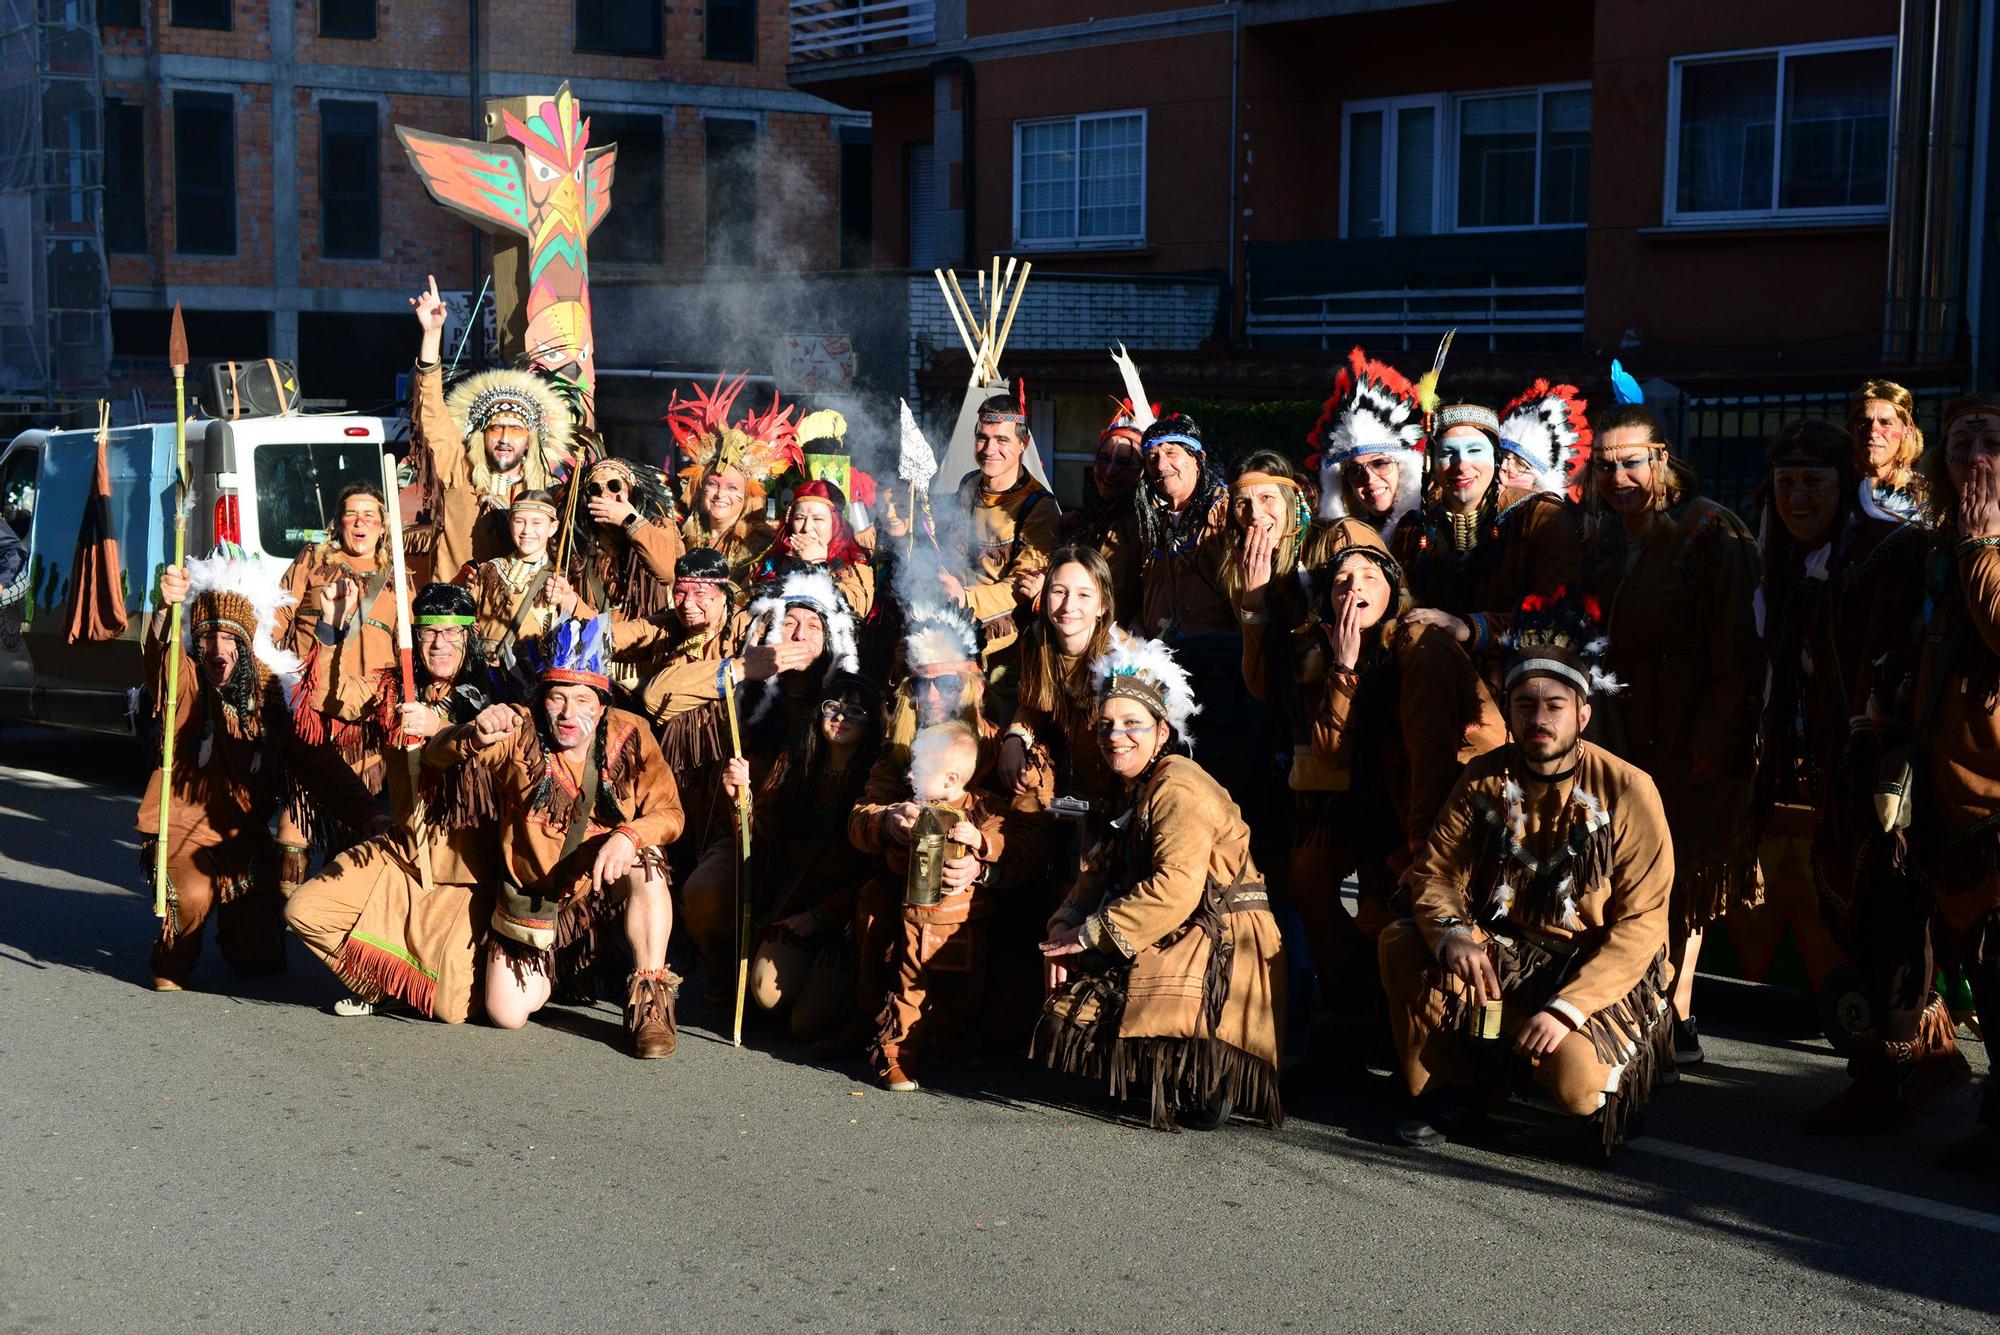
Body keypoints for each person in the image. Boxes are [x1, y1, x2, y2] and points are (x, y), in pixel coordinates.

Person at [1381, 591, 1674, 1153]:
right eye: (1524, 704)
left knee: (1575, 1087)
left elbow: (1644, 923)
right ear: (1509, 711)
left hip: (1592, 968)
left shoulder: (1630, 790)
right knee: (1403, 942)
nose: (1538, 718)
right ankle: (1452, 1089)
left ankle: (1593, 1064)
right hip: (1507, 953)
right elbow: (1434, 873)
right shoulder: (1483, 780)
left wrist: (1569, 1008)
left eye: (1554, 705)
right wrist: (1452, 938)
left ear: (1583, 713)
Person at [1750, 420, 1965, 1131]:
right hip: (1833, 771)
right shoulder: (1788, 559)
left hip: (1894, 770)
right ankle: (1921, 1059)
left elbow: (1918, 648)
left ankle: (1892, 1072)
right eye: (1786, 483)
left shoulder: (1889, 552)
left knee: (1890, 914)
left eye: (1814, 481)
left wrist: (1889, 726)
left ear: (1846, 486)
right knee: (1854, 911)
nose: (1798, 496)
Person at [1035, 634, 1287, 1130]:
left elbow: (1176, 885)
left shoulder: (1178, 782)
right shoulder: (1138, 786)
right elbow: (1102, 869)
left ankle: (1200, 1064)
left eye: (1132, 724)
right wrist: (1064, 922)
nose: (1115, 736)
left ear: (1162, 731)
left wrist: (1089, 935)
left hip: (1221, 936)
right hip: (1184, 918)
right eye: (1106, 725)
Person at [1579, 404, 1762, 1067]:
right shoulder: (1598, 535)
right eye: (1606, 465)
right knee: (1627, 868)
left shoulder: (1711, 528)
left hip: (1690, 725)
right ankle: (1632, 996)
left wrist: (1713, 739)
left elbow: (1736, 651)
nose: (1618, 476)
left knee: (1683, 872)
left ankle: (1676, 1006)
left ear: (1663, 458)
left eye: (1632, 461)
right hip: (1621, 725)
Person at [424, 616, 686, 1057]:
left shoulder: (631, 731)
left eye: (582, 700)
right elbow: (437, 757)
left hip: (601, 887)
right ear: (541, 699)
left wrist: (629, 835)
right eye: (557, 698)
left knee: (649, 862)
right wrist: (473, 733)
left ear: (601, 704)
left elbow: (669, 812)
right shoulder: (519, 729)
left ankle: (650, 1004)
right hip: (536, 900)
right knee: (506, 1015)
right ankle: (569, 964)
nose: (568, 713)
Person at [139, 551, 387, 991]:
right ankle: (170, 959)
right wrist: (164, 612)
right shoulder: (188, 685)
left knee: (259, 958)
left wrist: (369, 815)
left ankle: (241, 931)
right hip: (181, 829)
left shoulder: (270, 695)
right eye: (208, 637)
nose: (218, 649)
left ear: (246, 642)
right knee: (192, 903)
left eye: (229, 638)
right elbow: (165, 664)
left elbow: (316, 760)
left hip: (244, 840)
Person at [286, 582, 501, 1022]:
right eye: (427, 632)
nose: (439, 643)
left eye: (450, 632)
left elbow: (497, 742)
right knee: (304, 910)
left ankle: (409, 977)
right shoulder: (392, 686)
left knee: (451, 1009)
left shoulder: (496, 687)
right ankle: (380, 986)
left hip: (466, 871)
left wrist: (437, 724)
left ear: (470, 635)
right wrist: (331, 628)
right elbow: (330, 699)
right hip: (401, 850)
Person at [1308, 535, 1505, 1004]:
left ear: (1395, 591)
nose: (1353, 589)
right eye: (1341, 582)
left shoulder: (1417, 641)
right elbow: (1330, 755)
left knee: (1437, 932)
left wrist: (1423, 852)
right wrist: (1344, 667)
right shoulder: (1347, 651)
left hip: (1455, 810)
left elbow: (1432, 751)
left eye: (1369, 578)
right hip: (1389, 814)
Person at [677, 565, 862, 1001]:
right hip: (746, 832)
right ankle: (724, 972)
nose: (798, 635)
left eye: (813, 626)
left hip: (817, 858)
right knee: (702, 893)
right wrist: (742, 668)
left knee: (777, 999)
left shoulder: (849, 701)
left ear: (830, 641)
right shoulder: (745, 685)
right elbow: (656, 696)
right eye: (790, 622)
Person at [1905, 394, 2000, 1167]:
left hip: (1997, 804)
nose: (1973, 451)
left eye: (1992, 440)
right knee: (1981, 968)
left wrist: (1982, 545)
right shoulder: (1940, 545)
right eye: (1960, 438)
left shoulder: (1975, 543)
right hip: (1951, 790)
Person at [733, 671, 885, 1041]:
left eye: (855, 712)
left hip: (842, 920)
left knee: (807, 1025)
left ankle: (840, 995)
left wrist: (821, 917)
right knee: (767, 996)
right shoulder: (795, 762)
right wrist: (743, 799)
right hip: (796, 905)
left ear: (872, 723)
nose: (841, 718)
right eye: (832, 707)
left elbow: (875, 873)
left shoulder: (878, 778)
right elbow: (763, 835)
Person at [869, 721, 1015, 1092]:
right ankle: (895, 1056)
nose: (910, 772)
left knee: (963, 991)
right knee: (910, 991)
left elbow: (1005, 834)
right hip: (918, 918)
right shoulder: (910, 808)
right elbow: (890, 852)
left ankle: (949, 1043)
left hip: (968, 921)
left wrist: (981, 841)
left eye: (919, 766)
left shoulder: (982, 805)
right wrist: (894, 828)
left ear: (951, 778)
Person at [1393, 400, 1583, 682]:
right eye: (1448, 453)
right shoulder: (1413, 528)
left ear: (1495, 459)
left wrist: (1470, 628)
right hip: (1431, 677)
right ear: (1432, 462)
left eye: (1474, 451)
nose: (1461, 465)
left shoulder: (1540, 517)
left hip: (1520, 683)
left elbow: (1556, 615)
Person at [407, 274, 573, 584]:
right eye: (496, 428)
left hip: (516, 620)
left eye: (516, 430)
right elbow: (430, 411)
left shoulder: (548, 491)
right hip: (455, 617)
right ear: (481, 434)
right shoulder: (459, 469)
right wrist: (432, 335)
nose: (506, 438)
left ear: (532, 439)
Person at [945, 391, 1060, 707]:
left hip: (1007, 649)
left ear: (1023, 444)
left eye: (1001, 440)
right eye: (982, 438)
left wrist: (965, 598)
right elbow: (952, 548)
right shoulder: (969, 486)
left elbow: (1022, 587)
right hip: (955, 633)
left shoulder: (1040, 507)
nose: (989, 449)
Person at [1100, 412, 1233, 639]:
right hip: (1161, 658)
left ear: (1198, 459)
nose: (1161, 465)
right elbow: (1151, 594)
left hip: (1215, 655)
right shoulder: (1154, 523)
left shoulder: (1226, 512)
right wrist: (1138, 624)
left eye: (1172, 452)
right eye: (1152, 457)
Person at [668, 375, 794, 586]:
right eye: (713, 484)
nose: (720, 494)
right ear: (700, 489)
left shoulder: (765, 545)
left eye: (732, 487)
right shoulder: (677, 533)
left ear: (747, 497)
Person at [465, 489, 587, 696]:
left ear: (553, 527)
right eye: (519, 521)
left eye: (537, 523)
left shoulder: (561, 579)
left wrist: (566, 598)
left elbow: (583, 631)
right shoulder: (489, 570)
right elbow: (465, 619)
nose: (526, 530)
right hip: (484, 680)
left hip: (532, 685)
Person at [1306, 345, 1427, 544]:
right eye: (1354, 470)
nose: (1369, 479)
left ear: (1403, 467)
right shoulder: (1338, 541)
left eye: (1380, 463)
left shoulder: (1430, 528)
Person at [564, 456, 683, 651]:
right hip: (599, 655)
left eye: (614, 486)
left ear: (632, 491)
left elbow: (669, 572)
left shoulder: (661, 527)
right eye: (595, 489)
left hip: (646, 656)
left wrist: (630, 520)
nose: (605, 495)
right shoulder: (579, 545)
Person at [758, 480, 875, 622]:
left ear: (835, 524)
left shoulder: (853, 564)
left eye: (818, 519)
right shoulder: (772, 560)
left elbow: (858, 608)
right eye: (800, 518)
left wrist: (819, 566)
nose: (807, 527)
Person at [1061, 403, 1147, 548]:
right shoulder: (1090, 518)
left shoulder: (1143, 528)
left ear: (1145, 471)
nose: (1109, 471)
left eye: (1123, 463)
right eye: (1104, 459)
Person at [1494, 380, 1593, 501]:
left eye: (1520, 464)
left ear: (1540, 482)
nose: (1503, 467)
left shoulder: (1550, 519)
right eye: (1501, 455)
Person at [1847, 378, 1927, 524]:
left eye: (1885, 423)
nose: (1872, 432)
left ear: (1907, 432)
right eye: (1864, 422)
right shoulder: (1838, 486)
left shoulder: (1927, 492)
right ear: (1851, 429)